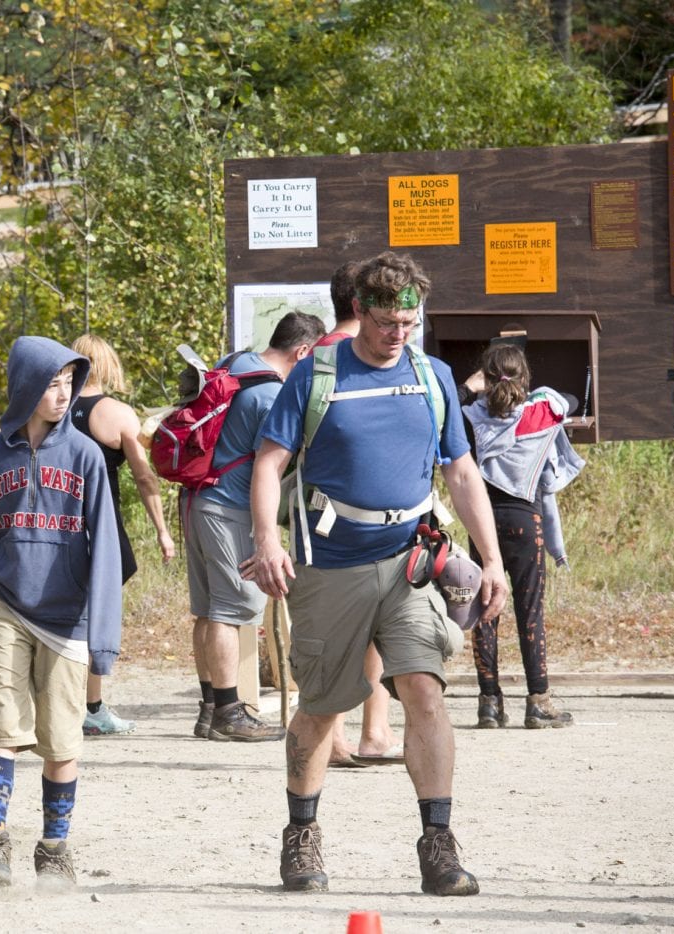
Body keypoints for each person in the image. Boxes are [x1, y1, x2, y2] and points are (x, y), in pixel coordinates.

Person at [244, 251, 509, 896]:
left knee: (424, 690)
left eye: (410, 323)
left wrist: (492, 557)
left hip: (413, 558)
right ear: (360, 311)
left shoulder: (432, 375)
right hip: (331, 563)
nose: (398, 334)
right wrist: (265, 542)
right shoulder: (315, 375)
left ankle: (438, 847)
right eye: (388, 321)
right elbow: (268, 463)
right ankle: (301, 838)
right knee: (322, 705)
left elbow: (461, 471)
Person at [0, 336, 122, 891]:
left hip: (69, 618)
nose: (61, 395)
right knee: (2, 725)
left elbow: (105, 547)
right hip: (6, 603)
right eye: (51, 384)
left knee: (61, 741)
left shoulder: (85, 456)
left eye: (67, 384)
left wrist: (103, 637)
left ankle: (54, 849)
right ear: (25, 386)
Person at [186, 312, 325, 743]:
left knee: (209, 609)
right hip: (229, 508)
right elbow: (274, 463)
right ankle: (229, 711)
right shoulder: (270, 394)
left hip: (198, 499)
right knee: (232, 610)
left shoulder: (234, 363)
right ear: (302, 351)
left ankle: (211, 708)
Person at [459, 343, 584, 729]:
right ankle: (538, 701)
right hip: (524, 521)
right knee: (530, 612)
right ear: (522, 379)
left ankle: (489, 704)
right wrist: (533, 392)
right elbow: (572, 399)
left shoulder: (468, 417)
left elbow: (446, 405)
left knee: (484, 611)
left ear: (486, 378)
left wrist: (469, 387)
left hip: (480, 520)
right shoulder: (540, 412)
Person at [68, 334, 176, 737]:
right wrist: (162, 531)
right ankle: (91, 706)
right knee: (99, 614)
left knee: (63, 614)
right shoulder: (115, 413)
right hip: (100, 526)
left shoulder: (50, 409)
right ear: (108, 365)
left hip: (54, 523)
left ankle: (66, 700)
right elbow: (145, 479)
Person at [318, 261, 403, 767]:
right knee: (345, 633)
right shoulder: (335, 356)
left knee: (368, 630)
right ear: (362, 302)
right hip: (340, 524)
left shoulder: (319, 349)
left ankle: (374, 729)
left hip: (361, 521)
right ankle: (339, 734)